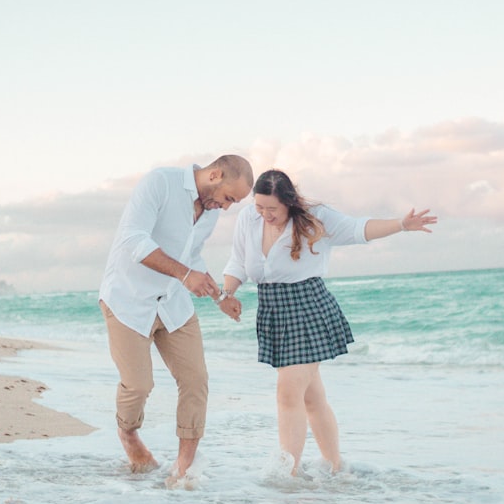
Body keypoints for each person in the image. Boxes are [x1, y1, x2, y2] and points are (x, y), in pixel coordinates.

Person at [219, 169, 437, 475]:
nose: (264, 215)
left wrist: (401, 224)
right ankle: (335, 467)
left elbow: (360, 229)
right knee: (312, 397)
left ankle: (288, 474)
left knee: (288, 393)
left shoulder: (316, 217)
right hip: (273, 310)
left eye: (272, 209)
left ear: (289, 203)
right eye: (259, 207)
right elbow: (238, 262)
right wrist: (226, 294)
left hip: (308, 306)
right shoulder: (248, 219)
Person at [99, 154, 253, 483]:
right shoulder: (160, 183)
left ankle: (182, 470)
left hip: (172, 303)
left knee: (196, 380)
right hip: (128, 299)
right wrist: (185, 275)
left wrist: (220, 297)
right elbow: (134, 241)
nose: (226, 208)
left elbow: (191, 256)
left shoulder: (208, 213)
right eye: (229, 198)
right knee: (139, 385)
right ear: (215, 175)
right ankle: (128, 434)